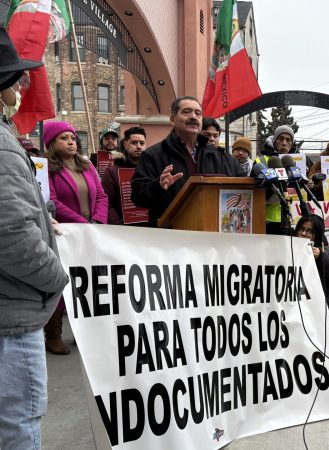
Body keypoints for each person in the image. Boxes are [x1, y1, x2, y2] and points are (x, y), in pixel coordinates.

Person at [0, 27, 69, 450]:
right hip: (12, 318)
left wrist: (45, 224)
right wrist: (56, 276)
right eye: (15, 76)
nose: (23, 85)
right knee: (18, 427)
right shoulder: (4, 147)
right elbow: (10, 234)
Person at [131, 97, 244, 227]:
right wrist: (158, 186)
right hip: (172, 234)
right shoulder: (152, 155)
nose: (193, 117)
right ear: (173, 120)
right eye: (186, 112)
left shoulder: (219, 156)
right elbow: (137, 196)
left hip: (211, 233)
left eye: (198, 113)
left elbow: (244, 185)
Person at [45, 120, 108, 353]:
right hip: (63, 234)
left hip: (90, 232)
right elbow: (52, 201)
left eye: (73, 138)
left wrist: (98, 221)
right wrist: (82, 224)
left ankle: (84, 334)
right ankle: (53, 334)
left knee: (87, 284)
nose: (71, 142)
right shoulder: (47, 168)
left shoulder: (86, 165)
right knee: (61, 284)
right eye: (64, 138)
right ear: (52, 142)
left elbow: (101, 195)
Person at [295, 215, 329, 351]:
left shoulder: (328, 252)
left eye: (309, 231)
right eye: (301, 229)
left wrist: (321, 257)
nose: (304, 234)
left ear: (317, 235)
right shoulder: (289, 251)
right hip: (300, 321)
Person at [101, 126, 147, 225]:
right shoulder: (112, 171)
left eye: (142, 143)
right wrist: (119, 225)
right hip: (123, 230)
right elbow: (106, 202)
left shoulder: (152, 169)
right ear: (125, 144)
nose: (139, 146)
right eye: (134, 143)